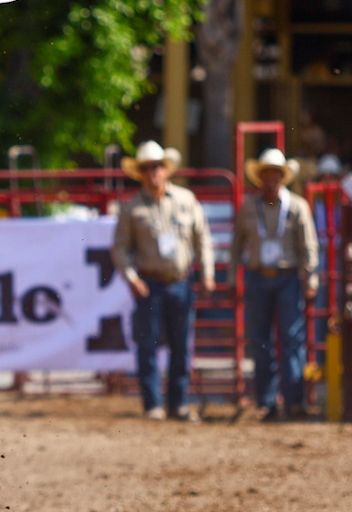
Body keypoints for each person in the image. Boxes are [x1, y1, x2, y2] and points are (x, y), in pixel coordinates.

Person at [112, 141, 215, 423]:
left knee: (181, 345)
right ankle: (153, 404)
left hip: (181, 281)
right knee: (148, 345)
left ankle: (178, 404)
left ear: (165, 169)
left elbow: (202, 238)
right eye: (147, 168)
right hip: (150, 283)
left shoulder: (185, 200)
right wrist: (132, 278)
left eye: (156, 166)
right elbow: (120, 248)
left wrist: (207, 272)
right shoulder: (131, 208)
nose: (152, 172)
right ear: (141, 173)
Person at [231, 149, 319, 421]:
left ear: (282, 177)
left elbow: (309, 246)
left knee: (292, 340)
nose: (270, 178)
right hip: (258, 276)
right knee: (260, 341)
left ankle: (293, 400)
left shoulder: (297, 206)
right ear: (260, 177)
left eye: (275, 173)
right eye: (266, 173)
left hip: (288, 276)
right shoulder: (248, 206)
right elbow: (236, 246)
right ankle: (267, 402)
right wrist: (233, 277)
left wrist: (310, 278)